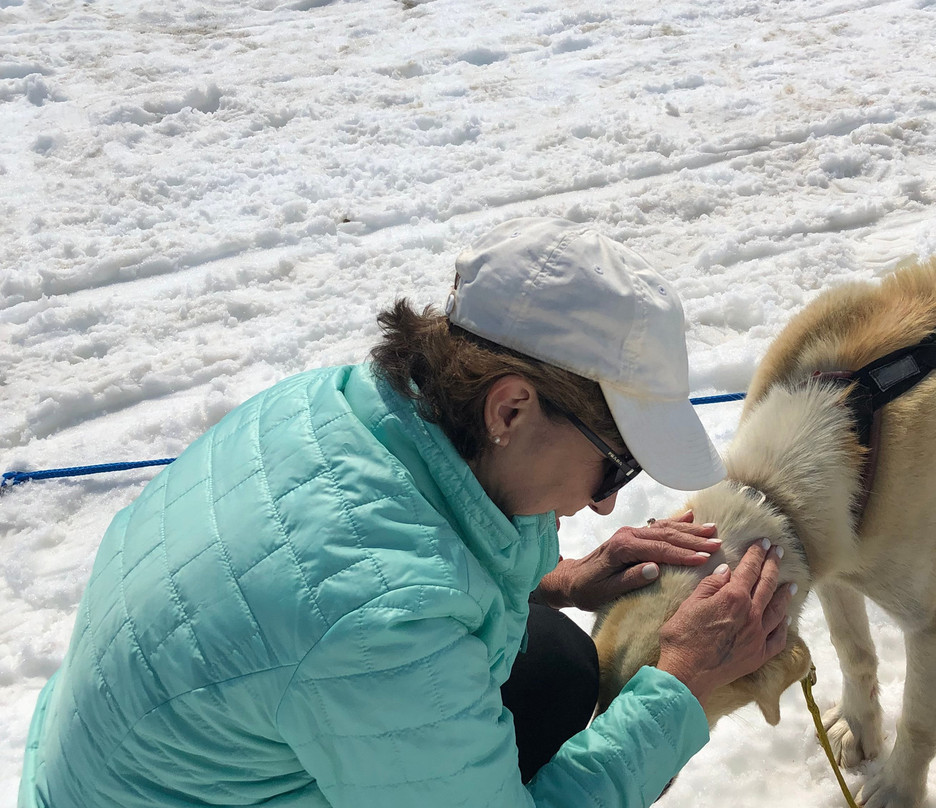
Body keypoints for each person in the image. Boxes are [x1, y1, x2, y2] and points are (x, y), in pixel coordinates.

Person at [18, 217, 793, 808]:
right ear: (511, 408)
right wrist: (683, 681)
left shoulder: (335, 404)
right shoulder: (383, 626)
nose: (607, 499)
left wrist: (559, 578)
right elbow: (368, 607)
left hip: (115, 768)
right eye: (613, 462)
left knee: (550, 661)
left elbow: (366, 553)